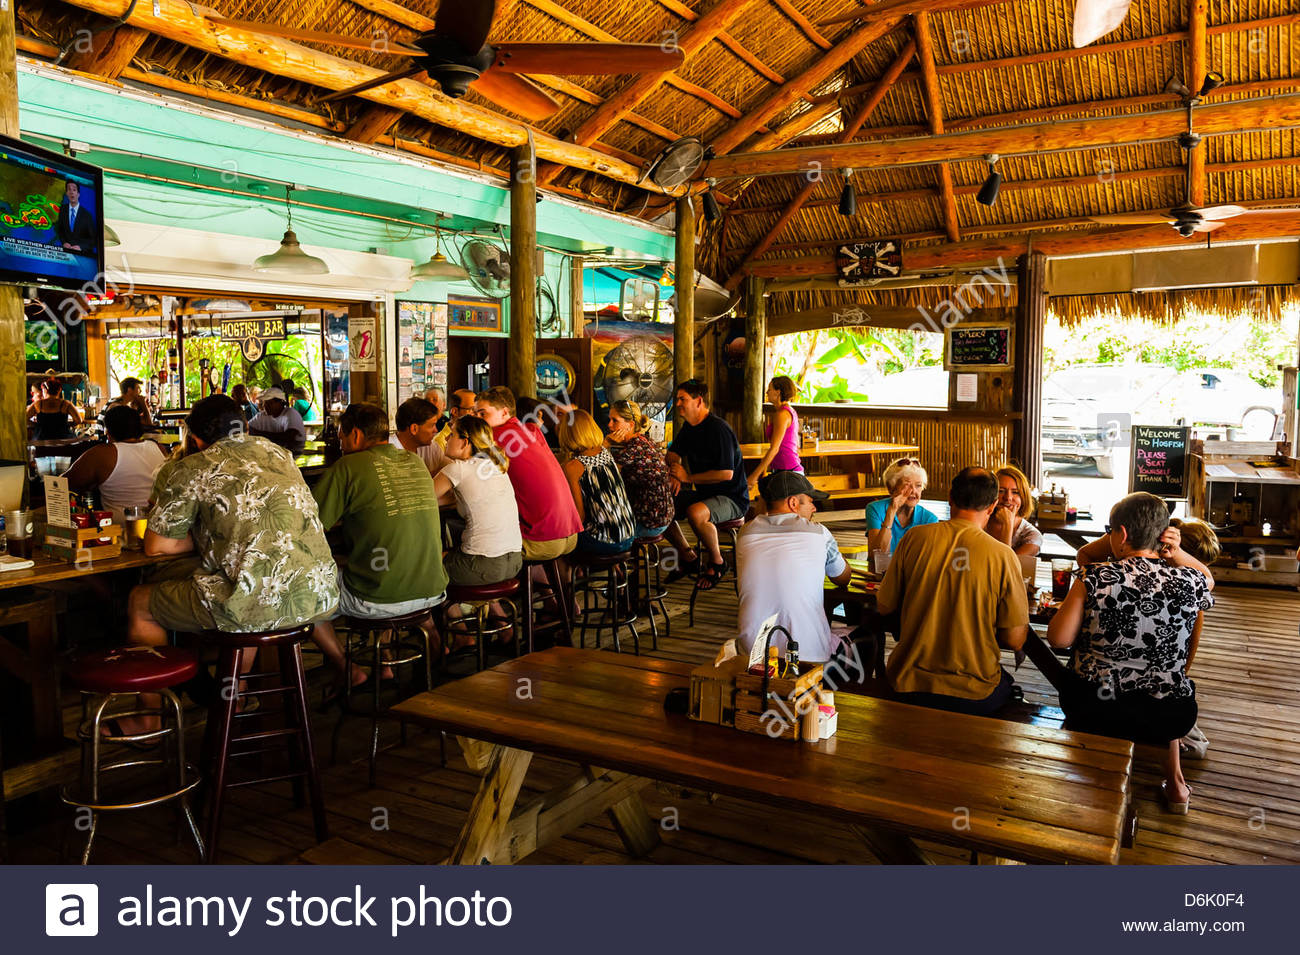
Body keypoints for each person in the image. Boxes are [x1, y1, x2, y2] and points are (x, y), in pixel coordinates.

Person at [118, 395, 338, 736]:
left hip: (256, 601)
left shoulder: (191, 466)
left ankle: (150, 718)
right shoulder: (279, 453)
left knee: (139, 602)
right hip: (317, 593)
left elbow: (158, 545)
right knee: (242, 581)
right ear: (245, 426)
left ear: (195, 439)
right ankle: (235, 695)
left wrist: (212, 534)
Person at [1047, 493, 1215, 814]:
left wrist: (1116, 538)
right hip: (1169, 715)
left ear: (1120, 534)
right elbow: (1208, 577)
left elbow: (1058, 639)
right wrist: (1176, 551)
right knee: (1160, 683)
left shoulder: (1094, 577)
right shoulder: (1191, 580)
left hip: (1095, 706)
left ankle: (1088, 784)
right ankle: (1177, 787)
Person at [311, 403, 447, 692]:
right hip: (433, 594)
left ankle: (349, 668)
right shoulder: (415, 462)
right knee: (380, 563)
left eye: (342, 437)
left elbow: (310, 528)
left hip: (380, 599)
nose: (342, 444)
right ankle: (387, 661)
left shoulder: (348, 466)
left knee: (305, 598)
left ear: (356, 435)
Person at [875, 467, 1029, 716]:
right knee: (1011, 691)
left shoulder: (914, 539)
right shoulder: (1003, 556)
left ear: (950, 497)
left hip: (908, 683)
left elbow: (884, 605)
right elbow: (1015, 639)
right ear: (991, 507)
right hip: (973, 691)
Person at [736, 471, 852, 665]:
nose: (815, 507)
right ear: (793, 503)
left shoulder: (745, 533)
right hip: (807, 655)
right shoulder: (819, 533)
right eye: (810, 501)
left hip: (752, 654)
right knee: (863, 636)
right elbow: (843, 578)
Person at [475, 385, 582, 562]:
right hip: (571, 535)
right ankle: (545, 587)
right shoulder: (532, 430)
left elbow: (472, 479)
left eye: (482, 414)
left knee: (475, 542)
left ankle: (522, 588)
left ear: (504, 413)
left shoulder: (494, 438)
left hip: (542, 540)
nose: (476, 419)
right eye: (474, 414)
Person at [664, 379, 750, 589]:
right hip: (705, 495)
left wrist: (687, 478)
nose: (678, 404)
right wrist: (675, 472)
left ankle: (718, 563)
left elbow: (726, 473)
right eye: (678, 399)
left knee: (695, 513)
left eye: (682, 399)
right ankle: (689, 557)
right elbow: (673, 453)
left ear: (698, 401)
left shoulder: (718, 429)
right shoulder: (689, 428)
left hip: (732, 497)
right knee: (660, 505)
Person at [433, 415, 523, 586]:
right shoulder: (496, 466)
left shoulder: (458, 469)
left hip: (483, 566)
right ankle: (491, 610)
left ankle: (450, 613)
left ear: (465, 442)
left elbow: (419, 499)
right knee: (449, 553)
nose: (446, 438)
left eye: (451, 434)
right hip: (514, 562)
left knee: (425, 566)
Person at [62, 405, 166, 524]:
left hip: (119, 533)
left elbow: (62, 484)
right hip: (158, 528)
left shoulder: (104, 453)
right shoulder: (159, 449)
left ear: (108, 432)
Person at [558, 409, 637, 556]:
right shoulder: (605, 453)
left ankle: (571, 577)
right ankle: (613, 568)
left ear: (567, 435)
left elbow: (578, 517)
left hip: (604, 542)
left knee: (560, 544)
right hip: (629, 536)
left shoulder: (573, 467)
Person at [605, 400, 673, 539]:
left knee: (596, 531)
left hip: (648, 523)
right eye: (609, 420)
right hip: (664, 517)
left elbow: (605, 479)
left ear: (630, 425)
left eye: (615, 421)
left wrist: (605, 443)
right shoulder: (644, 441)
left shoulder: (633, 450)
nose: (609, 425)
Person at [865, 457, 939, 555]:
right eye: (907, 485)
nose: (913, 491)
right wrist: (892, 510)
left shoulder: (930, 519)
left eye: (918, 485)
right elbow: (876, 555)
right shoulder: (875, 509)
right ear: (891, 488)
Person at [747, 375, 803, 495]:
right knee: (764, 504)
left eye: (770, 389)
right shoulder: (789, 411)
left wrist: (754, 476)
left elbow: (774, 448)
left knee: (767, 506)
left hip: (788, 472)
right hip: (786, 469)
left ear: (778, 392)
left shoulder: (782, 414)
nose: (767, 391)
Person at [985, 464, 1042, 557]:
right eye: (1001, 491)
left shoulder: (1032, 536)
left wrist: (1007, 525)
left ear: (1024, 497)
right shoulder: (979, 522)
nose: (1008, 498)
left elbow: (1008, 567)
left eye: (1015, 492)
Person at [389, 396, 446, 475]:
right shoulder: (386, 451)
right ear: (414, 429)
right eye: (432, 425)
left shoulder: (433, 448)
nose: (436, 430)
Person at [247, 386, 306, 455]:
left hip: (295, 454)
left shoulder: (291, 413)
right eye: (264, 403)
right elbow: (247, 429)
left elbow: (289, 437)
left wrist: (258, 434)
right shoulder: (261, 416)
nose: (265, 406)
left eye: (270, 403)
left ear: (280, 403)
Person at [56, 180, 98, 254]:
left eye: (74, 190)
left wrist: (80, 247)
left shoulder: (87, 215)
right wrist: (64, 242)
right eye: (69, 189)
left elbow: (93, 240)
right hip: (66, 254)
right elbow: (60, 230)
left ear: (78, 194)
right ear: (66, 193)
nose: (71, 192)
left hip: (82, 254)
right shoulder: (62, 210)